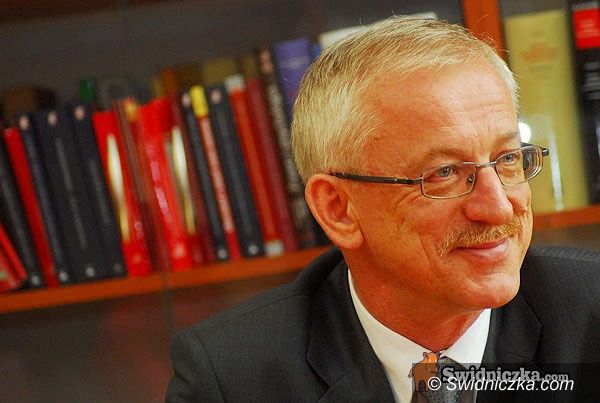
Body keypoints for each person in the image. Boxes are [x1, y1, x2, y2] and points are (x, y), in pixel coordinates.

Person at [166, 16, 600, 402]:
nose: (498, 207)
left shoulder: (591, 312)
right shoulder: (230, 378)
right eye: (444, 173)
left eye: (507, 159)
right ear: (338, 209)